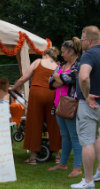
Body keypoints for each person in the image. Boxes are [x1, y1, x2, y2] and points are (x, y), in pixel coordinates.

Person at [10, 47, 62, 165]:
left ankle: (33, 158)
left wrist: (13, 88)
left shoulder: (38, 62)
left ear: (45, 54)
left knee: (34, 123)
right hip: (52, 94)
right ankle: (58, 156)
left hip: (36, 93)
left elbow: (24, 78)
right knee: (54, 124)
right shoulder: (57, 66)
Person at [48, 37, 82, 178]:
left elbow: (68, 79)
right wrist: (60, 79)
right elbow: (51, 83)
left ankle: (77, 167)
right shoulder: (61, 65)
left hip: (71, 106)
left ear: (72, 51)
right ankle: (63, 164)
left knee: (74, 136)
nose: (61, 55)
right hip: (58, 105)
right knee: (65, 135)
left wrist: (59, 78)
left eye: (64, 52)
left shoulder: (78, 66)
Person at [71, 26, 100, 189]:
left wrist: (87, 95)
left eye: (82, 40)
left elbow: (83, 77)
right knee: (97, 137)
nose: (81, 43)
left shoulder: (88, 55)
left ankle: (88, 181)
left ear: (89, 40)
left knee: (87, 142)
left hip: (90, 105)